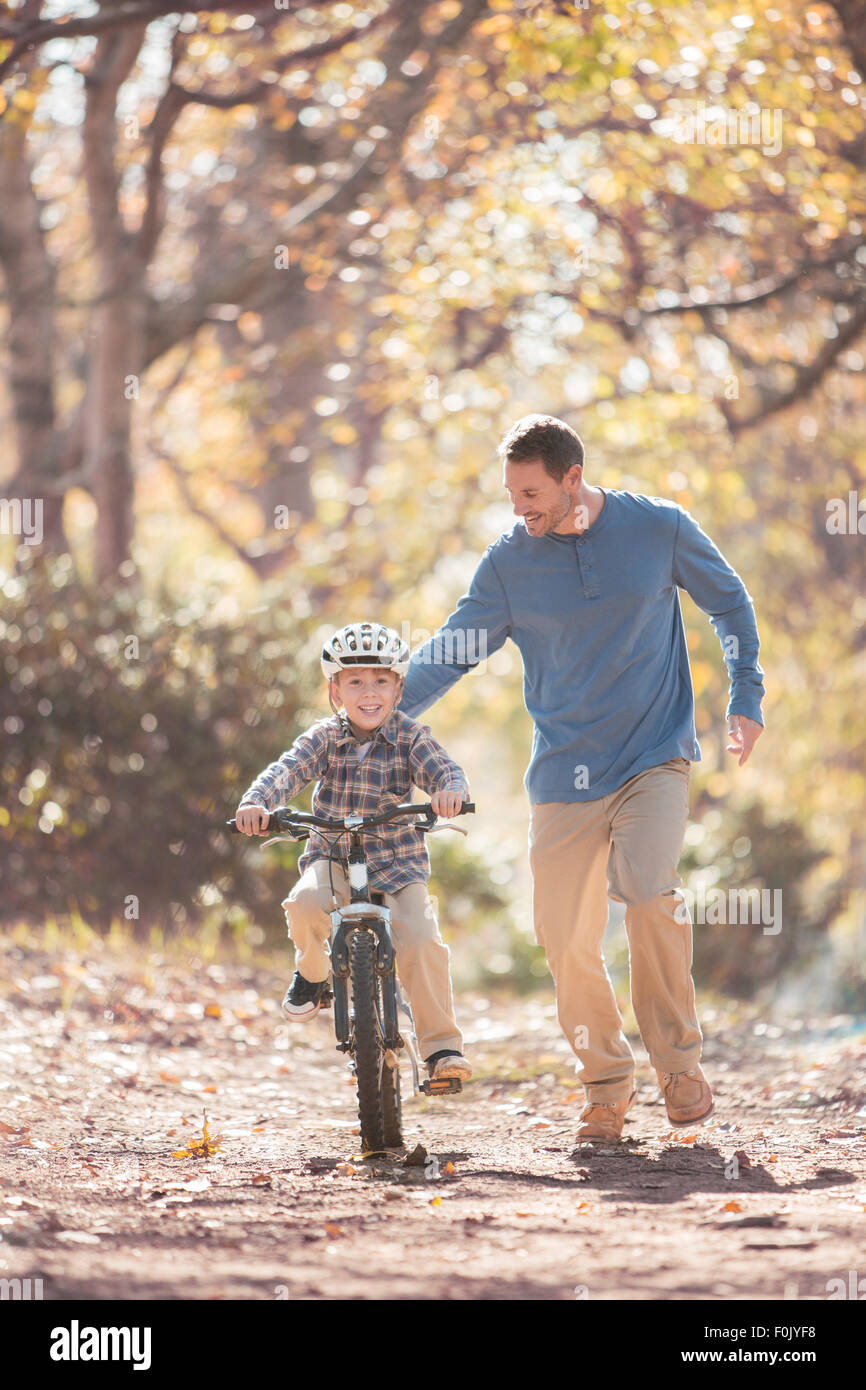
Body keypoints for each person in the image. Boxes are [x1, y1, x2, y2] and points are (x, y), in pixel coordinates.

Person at [399, 414, 766, 1141]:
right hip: (565, 771)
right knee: (564, 936)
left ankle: (680, 1067)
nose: (518, 507)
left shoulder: (657, 528)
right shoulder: (509, 562)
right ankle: (605, 1083)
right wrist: (377, 721)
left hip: (654, 755)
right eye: (511, 493)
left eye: (531, 492)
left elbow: (729, 601)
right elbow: (452, 651)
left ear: (574, 479)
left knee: (649, 892)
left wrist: (746, 695)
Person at [234, 621, 472, 1083]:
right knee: (304, 904)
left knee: (422, 939)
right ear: (335, 690)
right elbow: (287, 770)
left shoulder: (410, 737)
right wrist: (256, 802)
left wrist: (450, 792)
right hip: (333, 856)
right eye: (355, 681)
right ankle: (314, 974)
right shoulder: (324, 737)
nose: (369, 692)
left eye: (381, 681)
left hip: (398, 863)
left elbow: (445, 771)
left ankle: (442, 1049)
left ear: (398, 689)